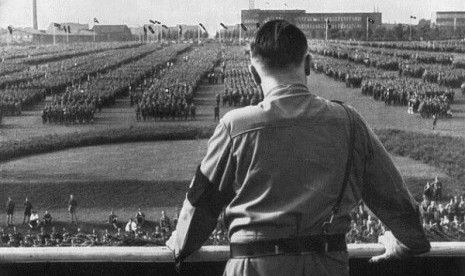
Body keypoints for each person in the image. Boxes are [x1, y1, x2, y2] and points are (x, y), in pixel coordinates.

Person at [167, 20, 430, 276]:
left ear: (253, 73)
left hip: (253, 266)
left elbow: (200, 205)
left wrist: (180, 243)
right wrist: (408, 241)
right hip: (327, 264)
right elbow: (396, 199)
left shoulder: (234, 126)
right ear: (308, 64)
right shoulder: (349, 122)